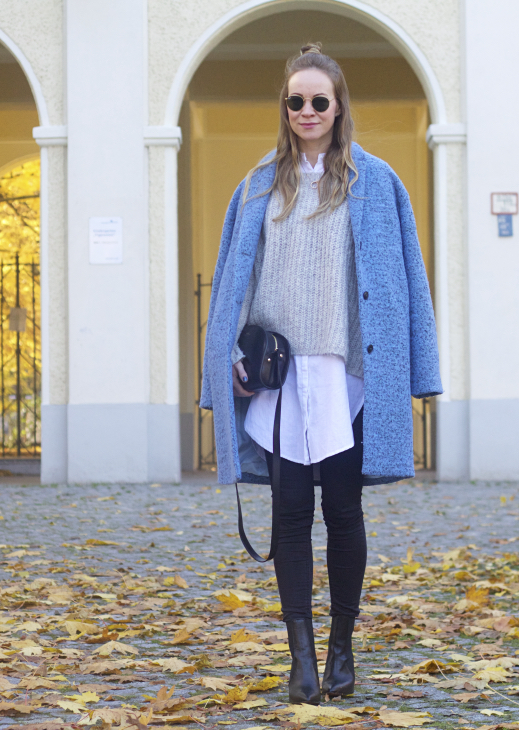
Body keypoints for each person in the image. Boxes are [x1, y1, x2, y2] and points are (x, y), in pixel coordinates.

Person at [200, 43, 441, 705]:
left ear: (337, 106)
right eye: (295, 100)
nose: (306, 111)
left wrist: (416, 366)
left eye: (318, 100)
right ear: (284, 107)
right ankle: (300, 659)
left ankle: (342, 649)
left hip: (345, 374)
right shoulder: (257, 185)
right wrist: (229, 359)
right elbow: (234, 280)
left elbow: (407, 279)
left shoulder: (376, 182)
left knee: (343, 510)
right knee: (288, 516)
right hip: (278, 377)